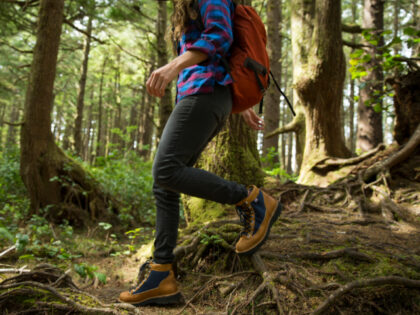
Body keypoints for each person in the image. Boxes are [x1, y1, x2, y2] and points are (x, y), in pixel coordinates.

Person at [119, 0, 282, 306]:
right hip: (200, 95)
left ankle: (252, 200)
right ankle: (162, 273)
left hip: (204, 94)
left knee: (165, 170)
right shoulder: (189, 6)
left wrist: (173, 65)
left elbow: (221, 37)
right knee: (165, 183)